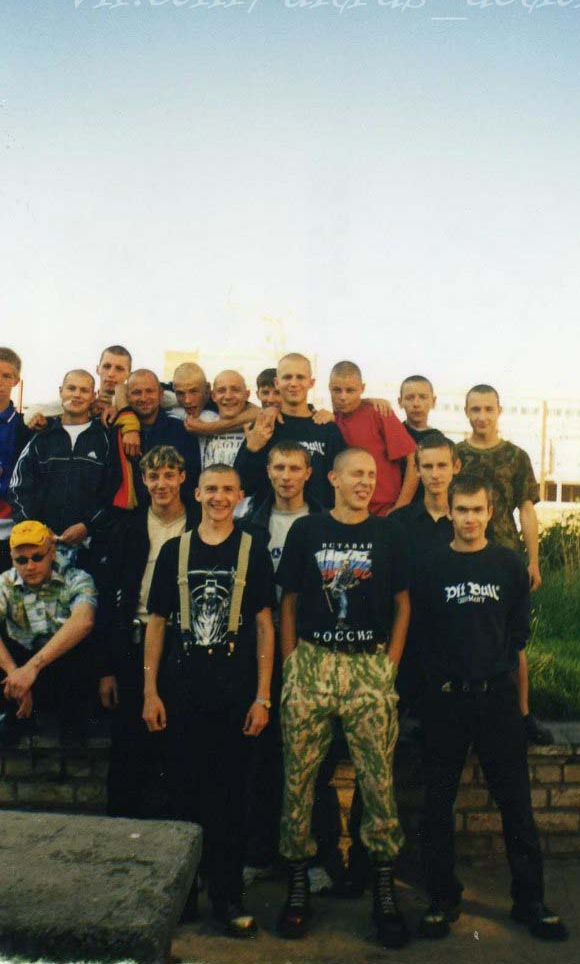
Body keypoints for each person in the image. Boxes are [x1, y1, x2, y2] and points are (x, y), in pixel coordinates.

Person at [416, 475, 568, 942]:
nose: (469, 519)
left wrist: (516, 703)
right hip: (447, 699)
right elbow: (423, 633)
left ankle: (530, 901)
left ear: (490, 512)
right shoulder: (432, 565)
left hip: (496, 698)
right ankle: (441, 898)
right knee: (437, 803)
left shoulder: (508, 564)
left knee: (516, 804)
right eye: (461, 510)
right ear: (450, 512)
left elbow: (517, 634)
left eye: (477, 510)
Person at [275, 447, 411, 949]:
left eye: (371, 475)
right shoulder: (306, 531)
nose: (365, 482)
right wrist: (291, 663)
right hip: (312, 664)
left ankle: (383, 893)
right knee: (298, 780)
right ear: (333, 478)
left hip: (367, 666)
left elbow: (403, 604)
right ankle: (298, 885)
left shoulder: (388, 533)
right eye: (357, 473)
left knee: (378, 781)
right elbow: (288, 602)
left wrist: (389, 664)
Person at [143, 463, 275, 938]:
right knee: (181, 794)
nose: (219, 497)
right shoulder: (174, 551)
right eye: (212, 489)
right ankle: (182, 897)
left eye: (228, 490)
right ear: (196, 493)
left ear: (240, 497)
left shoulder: (252, 550)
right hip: (182, 687)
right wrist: (150, 691)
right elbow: (157, 623)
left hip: (234, 690)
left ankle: (227, 897)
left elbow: (264, 625)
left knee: (230, 798)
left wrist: (263, 696)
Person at [242, 440, 343, 892]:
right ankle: (261, 853)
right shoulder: (250, 523)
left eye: (294, 468)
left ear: (308, 473)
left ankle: (319, 858)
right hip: (262, 650)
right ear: (268, 471)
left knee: (315, 760)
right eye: (279, 467)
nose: (286, 476)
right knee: (262, 757)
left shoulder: (326, 521)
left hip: (314, 647)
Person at [96, 445, 198, 818]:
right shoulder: (127, 528)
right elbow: (107, 598)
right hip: (134, 641)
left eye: (169, 475)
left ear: (182, 477)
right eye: (153, 476)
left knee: (181, 743)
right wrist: (107, 669)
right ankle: (122, 828)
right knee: (128, 743)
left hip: (184, 644)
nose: (162, 484)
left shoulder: (200, 523)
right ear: (143, 480)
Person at [455, 384, 553, 746]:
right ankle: (456, 715)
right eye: (475, 409)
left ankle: (523, 714)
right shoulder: (455, 455)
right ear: (466, 412)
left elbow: (526, 510)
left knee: (512, 640)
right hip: (463, 556)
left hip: (505, 556)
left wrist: (533, 560)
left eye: (488, 409)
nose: (481, 416)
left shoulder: (516, 456)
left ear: (499, 411)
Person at [0, 520, 97, 744]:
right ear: (12, 559)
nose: (30, 566)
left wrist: (31, 669)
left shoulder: (77, 578)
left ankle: (72, 729)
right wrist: (15, 674)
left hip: (61, 664)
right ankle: (15, 717)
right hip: (20, 662)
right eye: (21, 560)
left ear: (52, 553)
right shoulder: (4, 583)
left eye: (37, 557)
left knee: (78, 656)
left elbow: (84, 621)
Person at [9, 370, 112, 569]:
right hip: (42, 550)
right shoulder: (41, 437)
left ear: (94, 396)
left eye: (84, 390)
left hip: (90, 549)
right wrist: (36, 529)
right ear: (60, 391)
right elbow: (18, 487)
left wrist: (88, 526)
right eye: (71, 388)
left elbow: (112, 491)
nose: (77, 395)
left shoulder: (104, 439)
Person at [390, 432, 460, 716]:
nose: (435, 474)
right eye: (427, 466)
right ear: (417, 470)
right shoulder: (399, 522)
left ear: (456, 467)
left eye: (442, 465)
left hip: (453, 635)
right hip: (408, 634)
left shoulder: (466, 522)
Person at [235, 353, 346, 508]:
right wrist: (251, 450)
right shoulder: (263, 426)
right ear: (277, 382)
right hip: (268, 519)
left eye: (300, 377)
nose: (293, 383)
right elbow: (240, 485)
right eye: (287, 377)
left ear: (311, 382)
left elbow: (341, 484)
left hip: (316, 519)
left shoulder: (327, 428)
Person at [329, 361, 417, 516]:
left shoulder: (378, 412)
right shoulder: (330, 420)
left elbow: (414, 459)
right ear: (329, 388)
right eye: (337, 390)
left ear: (362, 388)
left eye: (350, 390)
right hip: (346, 513)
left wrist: (400, 507)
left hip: (383, 512)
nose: (343, 397)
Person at [112, 369, 201, 510]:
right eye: (136, 392)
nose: (143, 398)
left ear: (160, 394)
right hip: (128, 517)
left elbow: (191, 479)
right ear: (127, 397)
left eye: (149, 391)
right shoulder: (116, 431)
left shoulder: (181, 430)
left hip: (173, 515)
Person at [0, 348, 30, 574]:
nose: (0, 382)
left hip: (7, 525)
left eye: (6, 376)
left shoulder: (24, 426)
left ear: (16, 381)